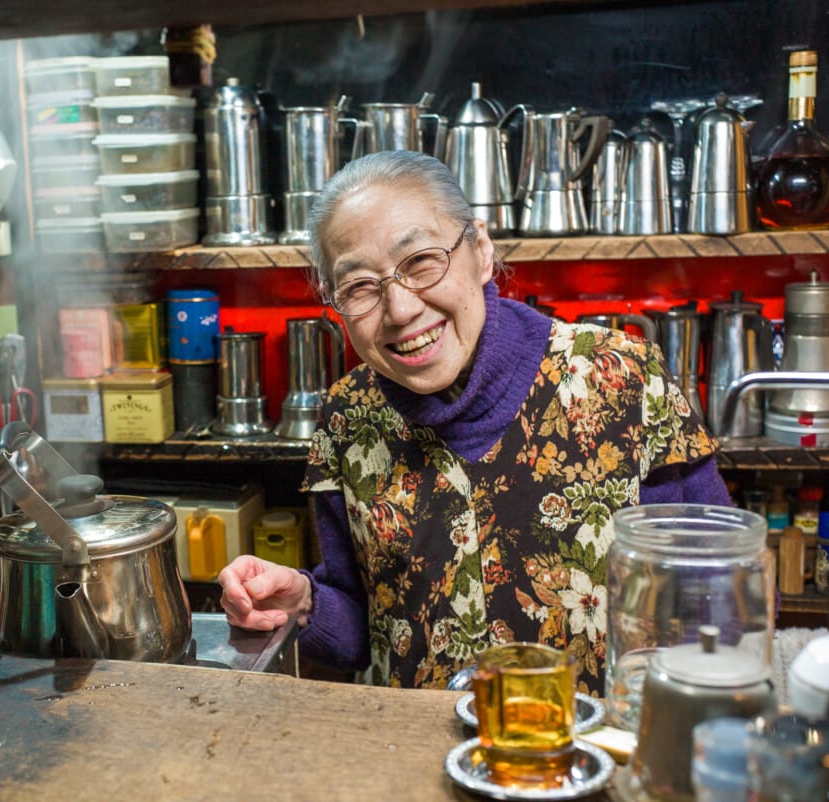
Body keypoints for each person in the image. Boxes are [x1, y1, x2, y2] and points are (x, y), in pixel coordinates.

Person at [217, 151, 731, 693]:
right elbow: (364, 631)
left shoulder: (618, 377)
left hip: (592, 751)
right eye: (360, 287)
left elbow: (718, 592)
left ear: (481, 251)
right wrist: (303, 603)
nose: (400, 310)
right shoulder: (349, 420)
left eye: (420, 262)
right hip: (418, 752)